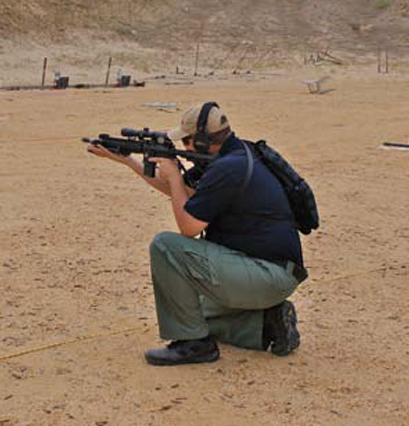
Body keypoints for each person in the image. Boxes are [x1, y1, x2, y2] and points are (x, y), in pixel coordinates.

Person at [87, 102, 305, 365]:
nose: (186, 147)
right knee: (189, 308)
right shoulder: (236, 154)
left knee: (165, 246)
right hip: (267, 272)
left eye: (188, 141)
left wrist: (175, 177)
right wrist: (129, 161)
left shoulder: (228, 168)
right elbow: (191, 197)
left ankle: (195, 345)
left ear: (202, 143)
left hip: (266, 274)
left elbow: (189, 227)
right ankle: (268, 325)